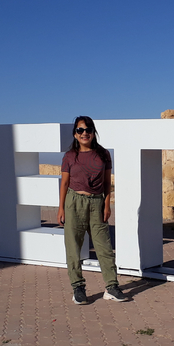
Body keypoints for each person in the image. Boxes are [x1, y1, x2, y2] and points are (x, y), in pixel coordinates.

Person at [58, 116, 126, 304]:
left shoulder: (103, 154)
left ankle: (112, 287)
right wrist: (61, 208)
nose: (84, 133)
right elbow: (64, 183)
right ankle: (78, 288)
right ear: (75, 134)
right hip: (74, 203)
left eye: (88, 129)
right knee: (73, 247)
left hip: (97, 203)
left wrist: (107, 204)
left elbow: (106, 182)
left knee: (104, 246)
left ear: (93, 132)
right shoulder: (70, 156)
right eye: (80, 130)